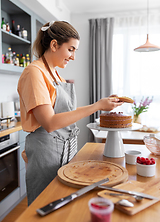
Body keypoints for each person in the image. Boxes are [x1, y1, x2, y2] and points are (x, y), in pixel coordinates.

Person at [17, 20, 123, 205]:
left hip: (65, 150)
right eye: (71, 49)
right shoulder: (34, 72)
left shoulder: (56, 75)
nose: (73, 57)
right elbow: (49, 123)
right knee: (44, 206)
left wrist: (103, 103)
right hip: (47, 152)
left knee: (63, 205)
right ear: (54, 45)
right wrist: (97, 106)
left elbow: (66, 115)